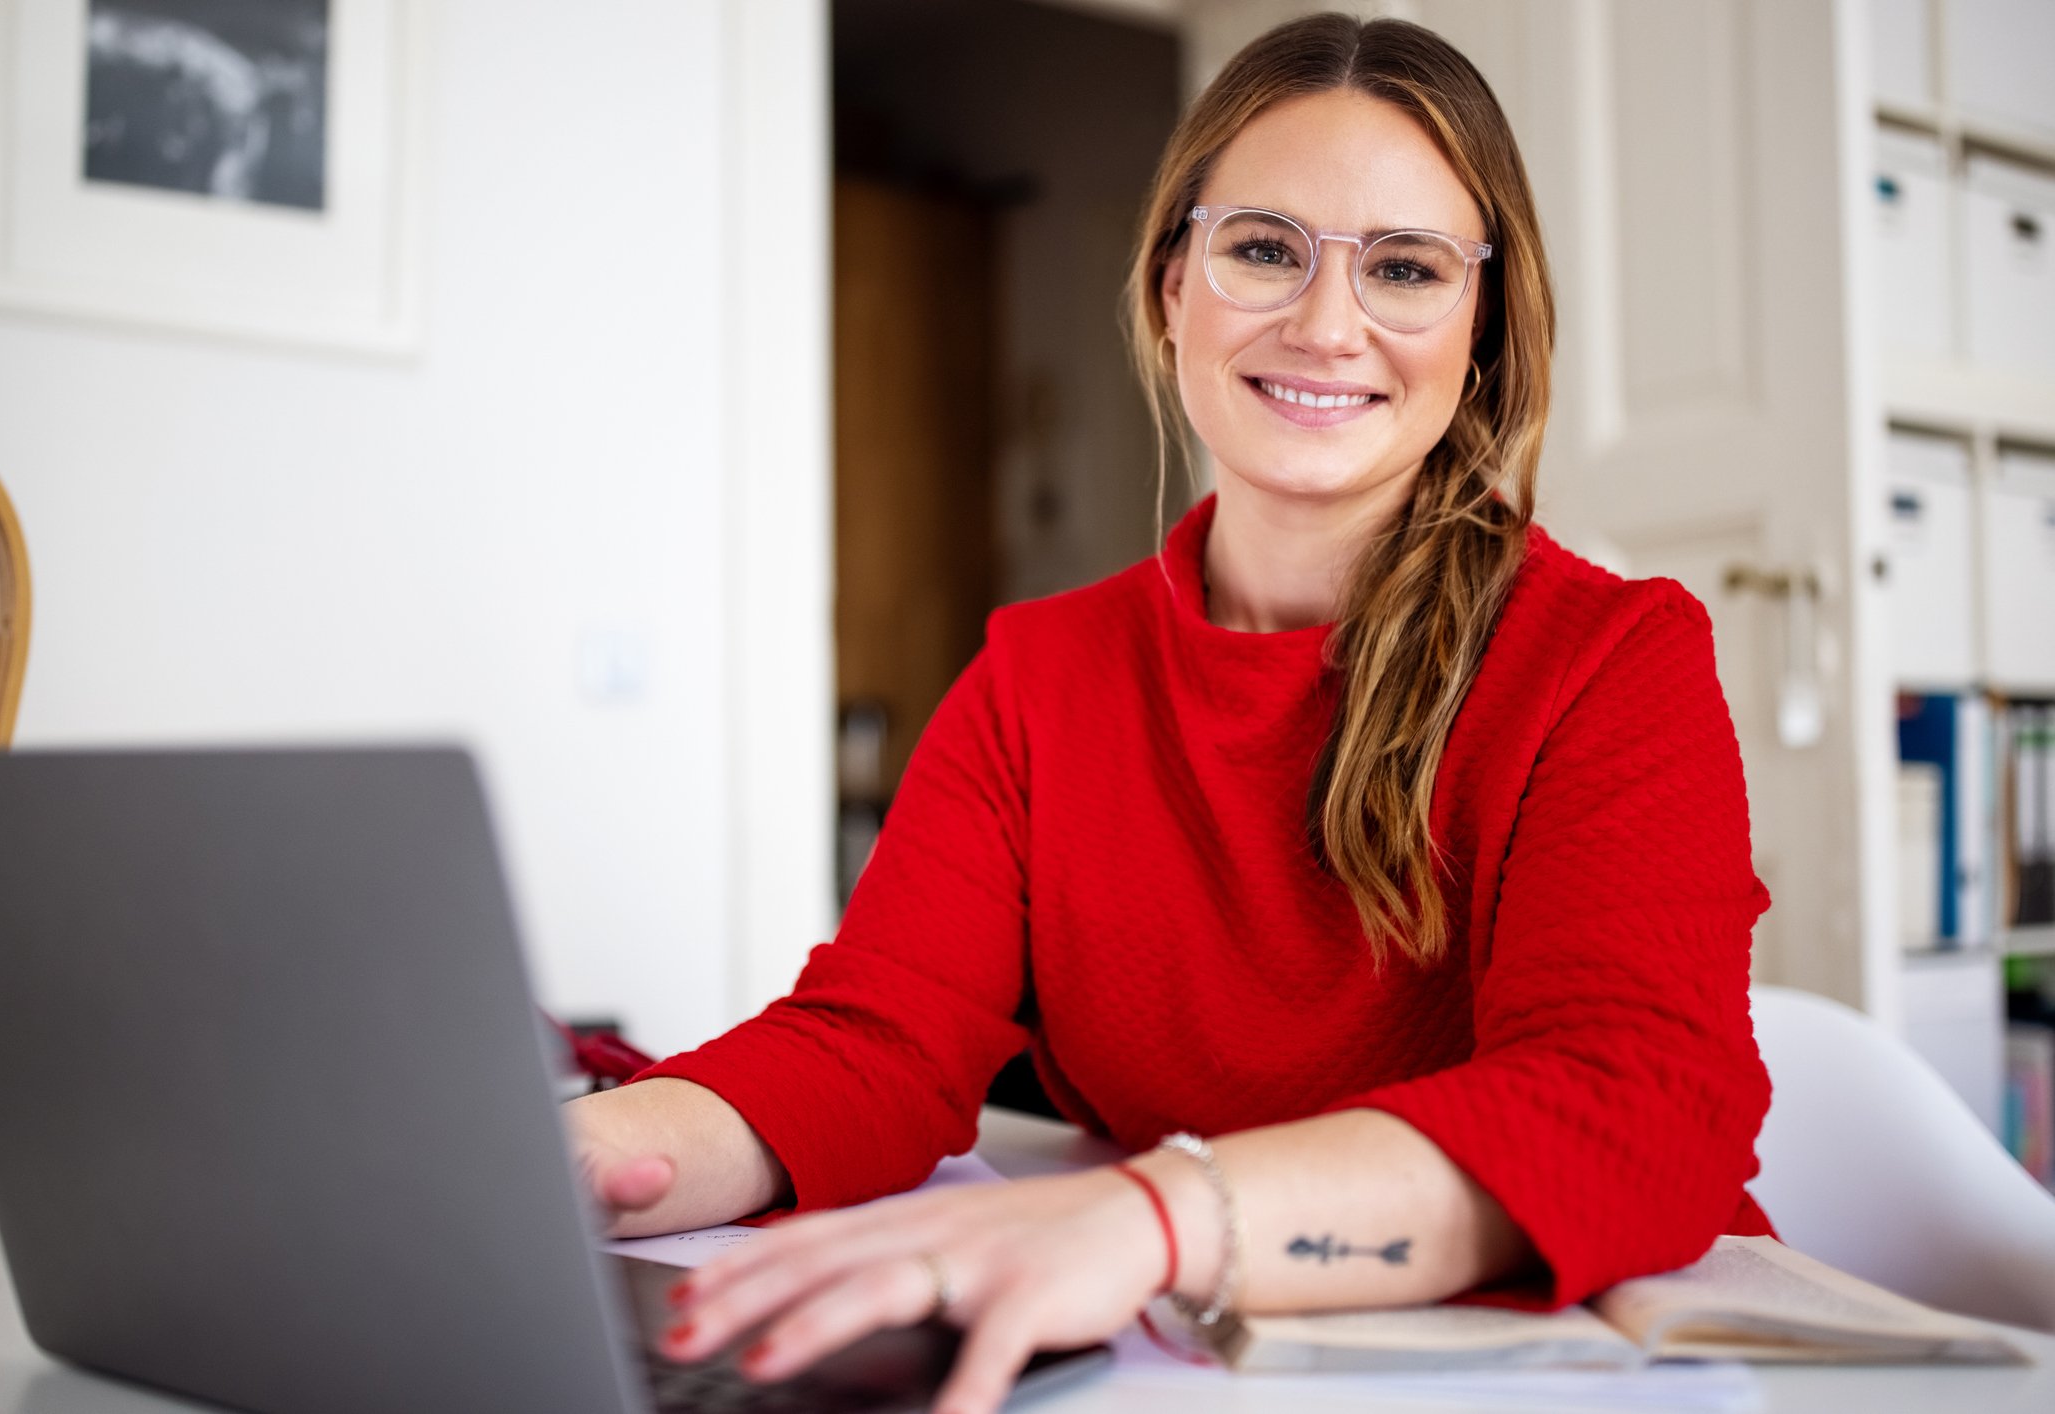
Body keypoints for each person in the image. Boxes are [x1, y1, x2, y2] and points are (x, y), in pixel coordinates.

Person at [566, 14, 1773, 1414]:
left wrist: (1151, 1213)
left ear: (1483, 334)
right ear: (1167, 288)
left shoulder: (1615, 659)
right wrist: (565, 1156)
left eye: (1404, 269)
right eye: (1265, 248)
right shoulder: (1037, 678)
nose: (1327, 324)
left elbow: (1637, 1111)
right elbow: (872, 1047)